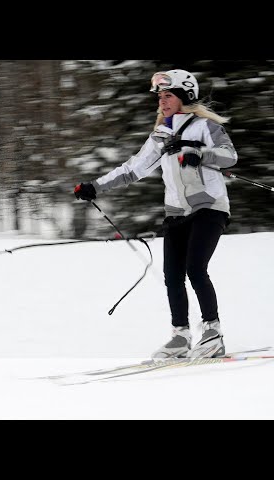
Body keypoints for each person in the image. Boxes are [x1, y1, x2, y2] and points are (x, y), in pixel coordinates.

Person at [73, 69, 238, 359]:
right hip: (176, 213)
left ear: (185, 97)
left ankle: (213, 332)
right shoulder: (160, 136)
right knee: (172, 276)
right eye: (160, 97)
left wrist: (199, 152)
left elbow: (229, 155)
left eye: (168, 96)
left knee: (195, 268)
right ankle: (180, 336)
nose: (162, 102)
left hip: (209, 207)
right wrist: (94, 187)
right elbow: (132, 169)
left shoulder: (203, 127)